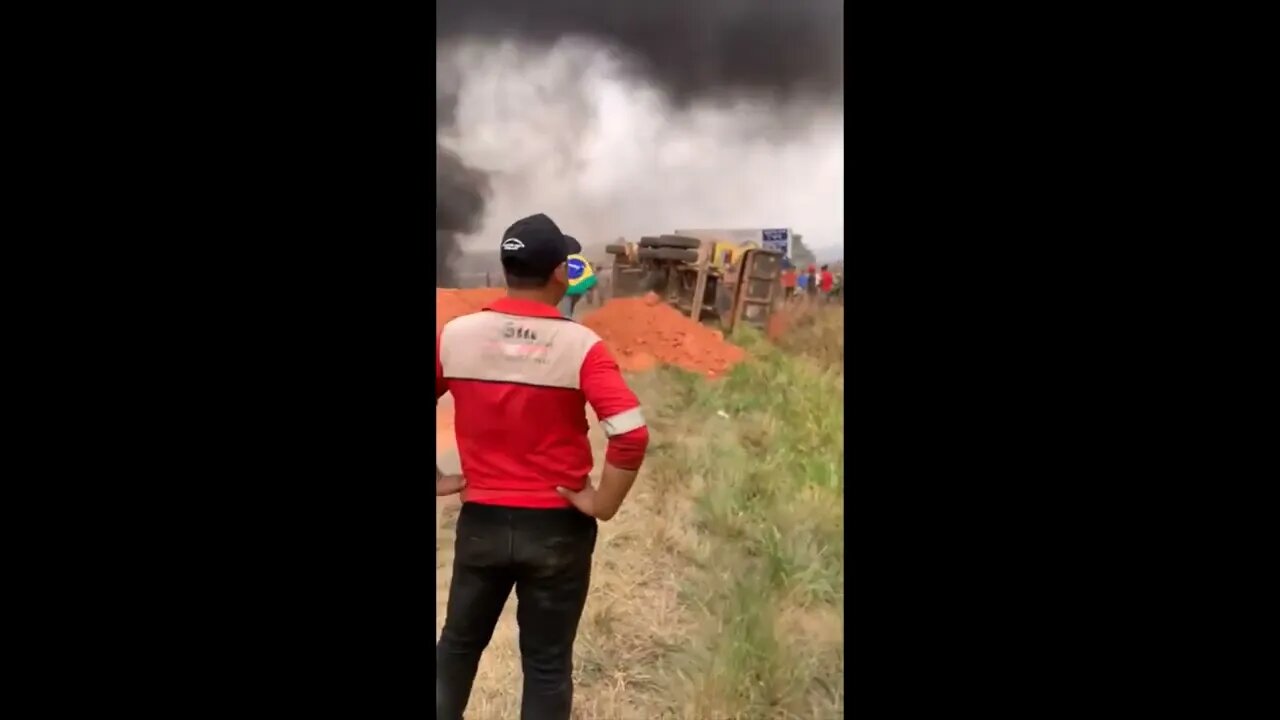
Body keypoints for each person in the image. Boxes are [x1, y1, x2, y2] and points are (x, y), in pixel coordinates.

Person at [435, 213, 650, 720]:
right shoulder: (582, 347)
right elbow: (631, 432)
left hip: (483, 524)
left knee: (457, 651)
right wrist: (603, 502)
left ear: (506, 269)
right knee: (548, 666)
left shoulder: (454, 336)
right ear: (561, 274)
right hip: (557, 530)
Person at [556, 237, 596, 318]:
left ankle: (568, 321)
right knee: (571, 307)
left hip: (568, 289)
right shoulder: (581, 259)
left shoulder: (563, 260)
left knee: (566, 311)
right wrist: (589, 288)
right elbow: (590, 277)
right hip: (580, 289)